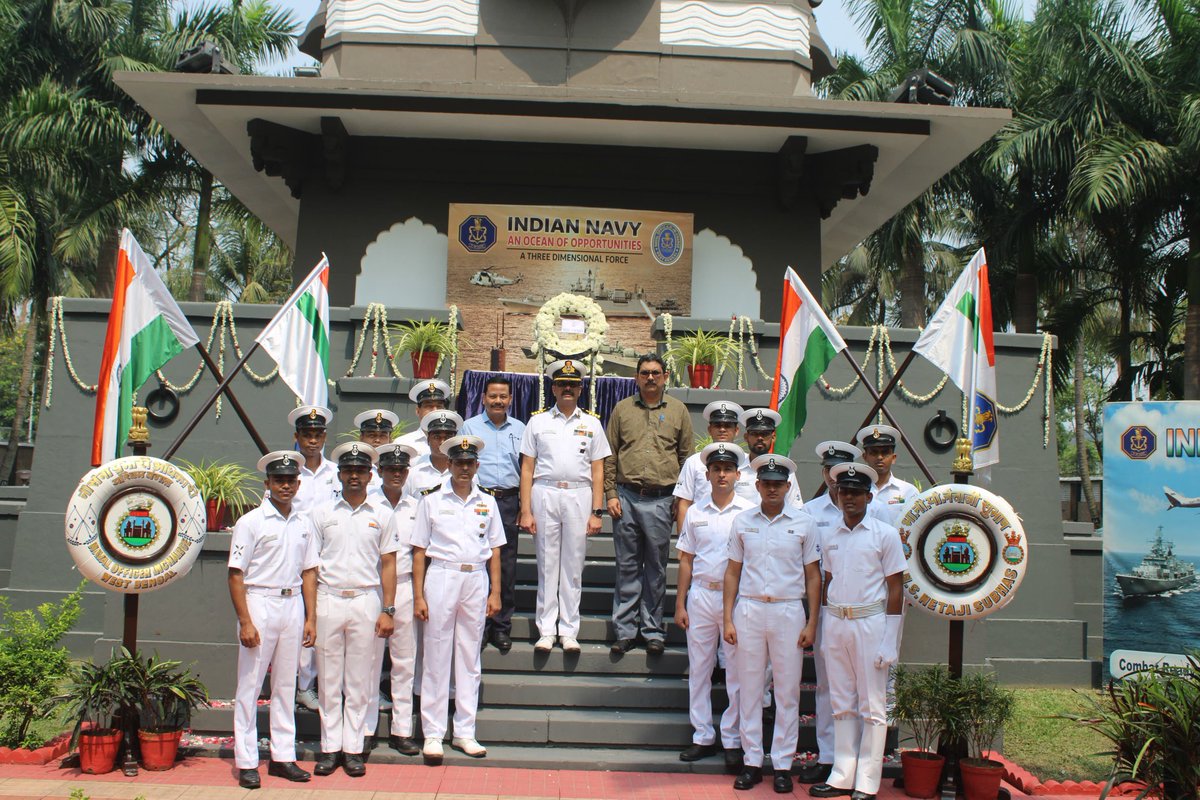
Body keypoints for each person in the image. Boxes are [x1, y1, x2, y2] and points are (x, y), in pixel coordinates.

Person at [724, 453, 820, 793]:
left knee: (787, 691)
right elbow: (732, 571)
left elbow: (813, 577)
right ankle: (752, 762)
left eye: (778, 484)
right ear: (758, 485)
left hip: (788, 611)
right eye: (767, 484)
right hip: (749, 608)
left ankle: (782, 763)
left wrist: (811, 621)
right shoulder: (742, 521)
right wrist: (727, 618)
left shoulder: (804, 523)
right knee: (749, 689)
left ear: (788, 486)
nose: (772, 489)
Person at [810, 463, 905, 800]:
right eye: (843, 491)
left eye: (855, 492)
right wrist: (823, 628)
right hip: (837, 622)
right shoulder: (829, 534)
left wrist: (890, 640)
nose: (848, 497)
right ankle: (841, 774)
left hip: (870, 622)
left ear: (869, 495)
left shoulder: (885, 534)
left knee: (872, 706)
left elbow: (896, 588)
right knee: (841, 703)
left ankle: (867, 780)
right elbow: (828, 581)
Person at [303, 442, 398, 778]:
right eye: (349, 471)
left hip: (366, 599)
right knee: (329, 680)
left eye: (360, 471)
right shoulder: (322, 512)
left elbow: (388, 563)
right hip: (329, 598)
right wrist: (311, 615)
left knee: (361, 679)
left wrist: (388, 609)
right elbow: (311, 568)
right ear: (340, 475)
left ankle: (354, 748)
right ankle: (330, 748)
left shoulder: (382, 514)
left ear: (371, 475)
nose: (354, 476)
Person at [412, 435, 505, 764]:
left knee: (469, 658)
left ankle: (465, 730)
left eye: (469, 463)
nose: (464, 469)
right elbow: (419, 551)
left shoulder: (488, 502)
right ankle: (433, 733)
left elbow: (495, 550)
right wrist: (419, 595)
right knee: (436, 655)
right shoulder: (432, 501)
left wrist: (495, 591)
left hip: (475, 578)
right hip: (442, 576)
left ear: (477, 466)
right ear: (448, 465)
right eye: (458, 463)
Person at [798, 440, 885, 786]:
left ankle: (864, 767)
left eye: (846, 476)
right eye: (833, 474)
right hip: (828, 613)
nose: (839, 485)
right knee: (828, 687)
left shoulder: (875, 515)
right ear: (825, 474)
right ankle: (831, 757)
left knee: (866, 692)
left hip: (867, 614)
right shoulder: (810, 512)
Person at [227, 451, 315, 789]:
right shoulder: (251, 522)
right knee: (249, 685)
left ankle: (282, 757)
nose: (286, 486)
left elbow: (309, 571)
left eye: (291, 480)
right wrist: (245, 621)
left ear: (298, 483)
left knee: (285, 686)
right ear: (267, 484)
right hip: (259, 602)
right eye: (279, 480)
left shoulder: (304, 522)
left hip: (292, 604)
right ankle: (247, 761)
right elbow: (236, 575)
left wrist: (311, 617)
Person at [518, 360, 610, 653]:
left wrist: (597, 511)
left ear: (581, 388)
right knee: (547, 564)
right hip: (544, 493)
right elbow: (527, 469)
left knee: (572, 566)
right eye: (562, 384)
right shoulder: (538, 422)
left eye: (573, 384)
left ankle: (569, 630)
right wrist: (525, 509)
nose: (567, 389)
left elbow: (598, 470)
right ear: (553, 388)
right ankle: (546, 630)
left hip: (578, 495)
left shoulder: (592, 423)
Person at [605, 353, 693, 655]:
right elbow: (610, 455)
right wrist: (610, 494)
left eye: (656, 373)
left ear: (666, 376)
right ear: (637, 377)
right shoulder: (622, 409)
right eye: (645, 373)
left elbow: (687, 460)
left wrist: (680, 499)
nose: (651, 378)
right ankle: (625, 630)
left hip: (661, 500)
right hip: (627, 497)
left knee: (656, 568)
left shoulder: (679, 411)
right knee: (627, 566)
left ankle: (653, 630)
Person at [674, 442, 755, 771]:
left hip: (735, 599)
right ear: (706, 475)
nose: (722, 475)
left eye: (727, 470)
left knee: (736, 672)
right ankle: (702, 735)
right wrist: (680, 603)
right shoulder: (695, 512)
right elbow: (685, 560)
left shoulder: (749, 512)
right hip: (702, 596)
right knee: (700, 669)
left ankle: (733, 739)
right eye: (716, 470)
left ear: (738, 474)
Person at [362, 442, 422, 756]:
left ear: (407, 472)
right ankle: (367, 728)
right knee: (371, 662)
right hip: (373, 588)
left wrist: (420, 594)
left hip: (406, 587)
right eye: (390, 469)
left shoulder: (417, 506)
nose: (396, 474)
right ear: (380, 471)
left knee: (404, 662)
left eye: (401, 469)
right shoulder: (368, 504)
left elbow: (420, 553)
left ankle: (402, 731)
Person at [462, 375, 525, 652]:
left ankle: (501, 626)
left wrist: (526, 505)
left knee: (507, 565)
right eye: (493, 396)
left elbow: (526, 470)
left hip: (509, 501)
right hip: (480, 500)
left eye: (503, 397)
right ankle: (480, 625)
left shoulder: (521, 429)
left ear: (510, 399)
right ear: (484, 398)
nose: (498, 401)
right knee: (479, 561)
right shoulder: (470, 427)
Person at [287, 404, 339, 713]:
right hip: (296, 558)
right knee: (302, 622)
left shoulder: (336, 473)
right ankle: (303, 685)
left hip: (331, 557)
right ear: (297, 436)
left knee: (324, 621)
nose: (312, 441)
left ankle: (321, 683)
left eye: (318, 434)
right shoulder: (288, 472)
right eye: (307, 435)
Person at [674, 401, 745, 524]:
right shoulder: (694, 462)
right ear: (709, 429)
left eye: (727, 425)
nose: (722, 429)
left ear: (737, 430)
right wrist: (683, 540)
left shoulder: (747, 462)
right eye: (717, 425)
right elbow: (684, 504)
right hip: (702, 528)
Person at [738, 408, 805, 507]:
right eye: (754, 434)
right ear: (746, 437)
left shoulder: (785, 468)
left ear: (773, 437)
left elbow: (795, 507)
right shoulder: (736, 469)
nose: (760, 438)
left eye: (765, 434)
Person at [856, 425, 919, 525]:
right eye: (874, 453)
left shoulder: (908, 492)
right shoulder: (855, 491)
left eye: (885, 453)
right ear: (865, 457)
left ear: (893, 458)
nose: (880, 457)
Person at [405, 410, 463, 498]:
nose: (442, 442)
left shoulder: (465, 473)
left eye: (448, 437)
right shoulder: (413, 474)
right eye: (437, 437)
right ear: (428, 440)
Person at [396, 379, 452, 461]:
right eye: (429, 406)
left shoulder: (453, 443)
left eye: (439, 406)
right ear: (417, 411)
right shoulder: (403, 443)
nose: (434, 411)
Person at [356, 409, 399, 500]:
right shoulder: (352, 469)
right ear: (361, 438)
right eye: (372, 435)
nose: (377, 440)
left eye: (383, 436)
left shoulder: (399, 470)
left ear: (390, 440)